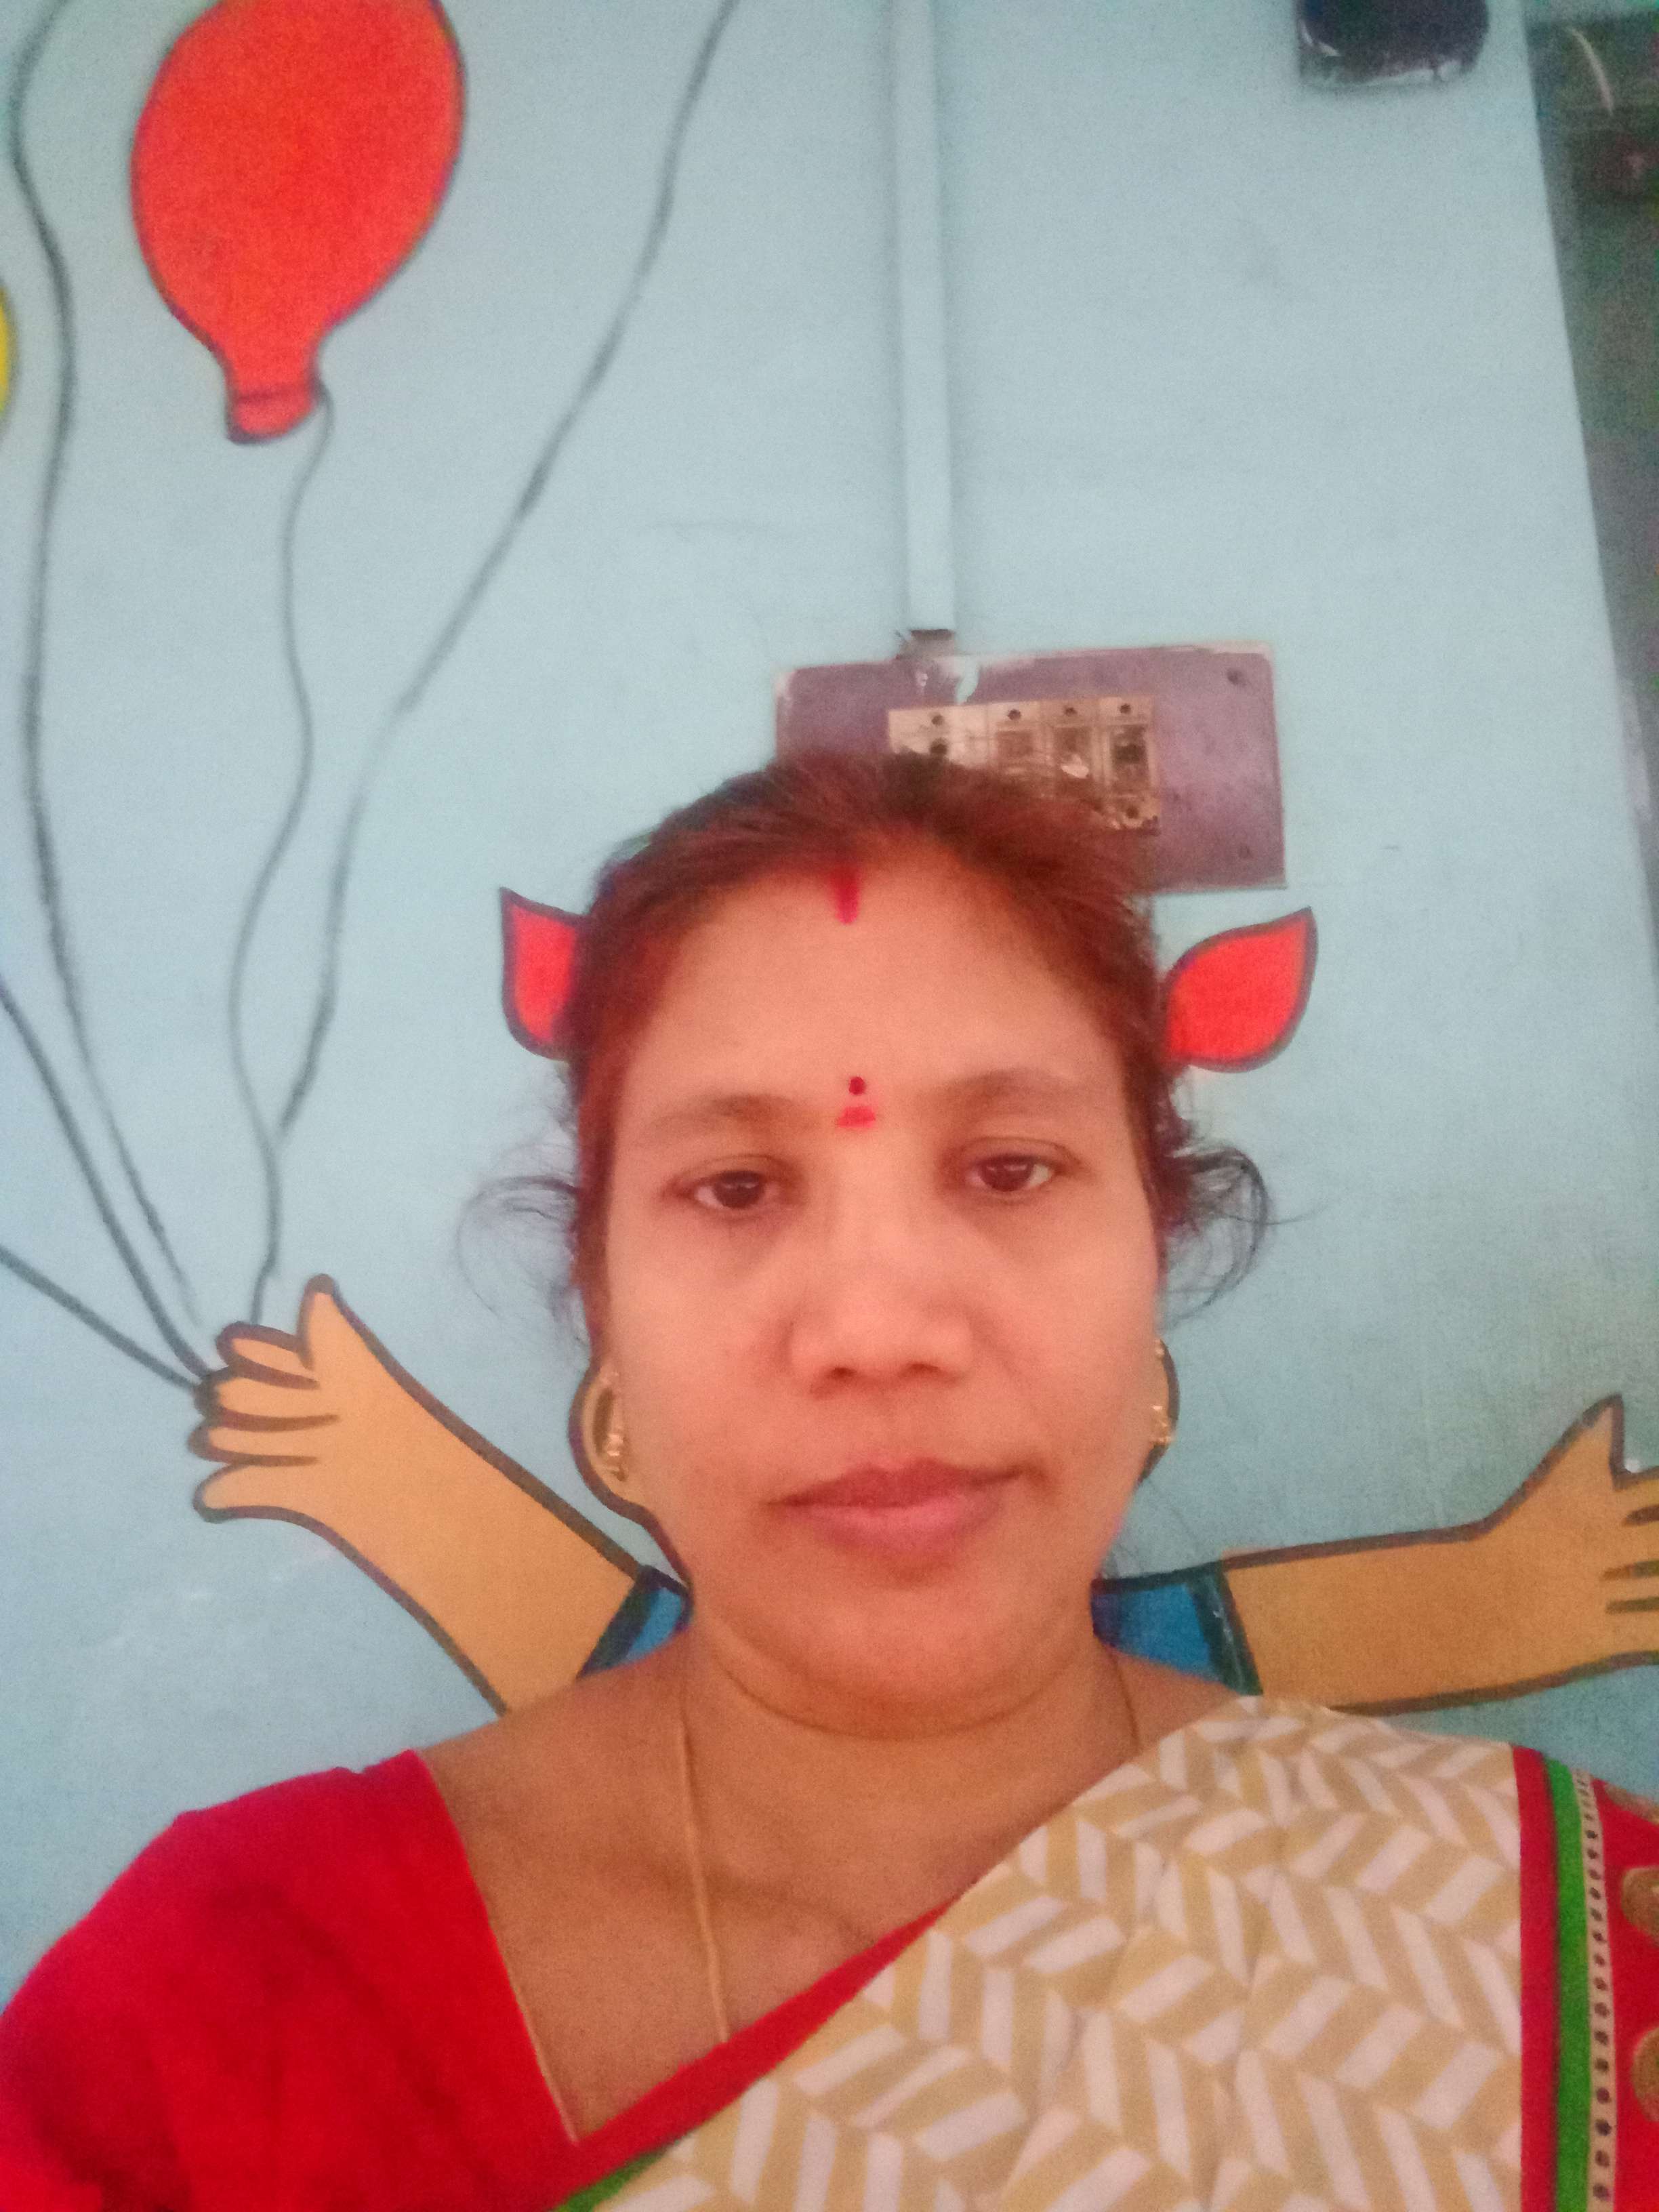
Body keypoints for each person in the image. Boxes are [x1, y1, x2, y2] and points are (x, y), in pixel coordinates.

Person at [1, 749, 1655, 2209]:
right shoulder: (221, 2008)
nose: (876, 1331)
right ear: (603, 1310)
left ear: (1154, 1262)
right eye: (735, 1188)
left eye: (1010, 1168)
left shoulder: (1553, 1947)